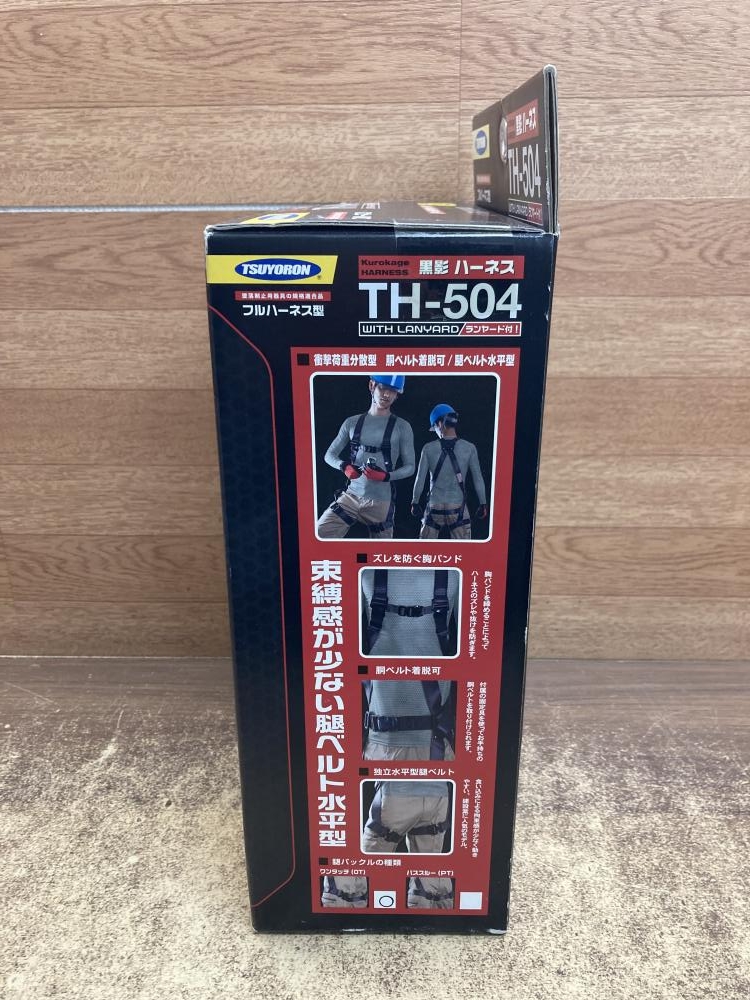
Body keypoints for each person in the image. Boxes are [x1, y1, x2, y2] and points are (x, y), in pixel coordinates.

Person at [316, 375, 415, 539]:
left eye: (392, 391)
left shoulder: (402, 427)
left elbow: (410, 466)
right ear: (371, 385)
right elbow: (329, 455)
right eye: (383, 387)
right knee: (319, 535)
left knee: (382, 552)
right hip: (351, 497)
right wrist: (344, 466)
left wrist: (386, 476)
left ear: (397, 394)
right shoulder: (351, 423)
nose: (386, 394)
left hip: (381, 502)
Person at [411, 404, 488, 540]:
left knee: (425, 551)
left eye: (434, 427)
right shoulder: (469, 448)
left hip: (434, 507)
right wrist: (483, 503)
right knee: (462, 551)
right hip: (458, 507)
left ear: (440, 424)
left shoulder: (428, 448)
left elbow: (420, 479)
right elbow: (478, 479)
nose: (435, 431)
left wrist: (415, 502)